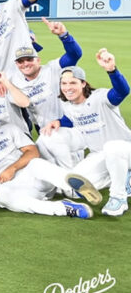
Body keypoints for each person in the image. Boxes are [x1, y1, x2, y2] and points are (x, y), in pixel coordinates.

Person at [0, 102, 98, 218]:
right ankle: (65, 208)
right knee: (1, 196)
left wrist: (12, 168)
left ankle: (74, 188)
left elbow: (33, 151)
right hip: (12, 188)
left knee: (36, 163)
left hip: (31, 175)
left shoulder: (9, 129)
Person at [38, 50, 131, 217]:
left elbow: (121, 92)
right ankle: (125, 177)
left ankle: (119, 197)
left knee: (112, 148)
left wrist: (112, 70)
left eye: (72, 83)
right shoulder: (68, 104)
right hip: (100, 154)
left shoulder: (100, 98)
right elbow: (71, 117)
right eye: (64, 84)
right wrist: (59, 121)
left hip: (125, 149)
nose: (67, 88)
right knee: (74, 185)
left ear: (83, 83)